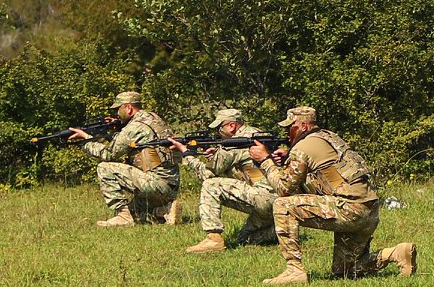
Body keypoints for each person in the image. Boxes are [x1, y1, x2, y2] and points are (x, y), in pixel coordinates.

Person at [249, 106, 416, 285]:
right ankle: (395, 253)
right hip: (368, 210)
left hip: (350, 209)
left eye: (291, 127)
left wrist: (265, 160)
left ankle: (294, 270)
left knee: (283, 205)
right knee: (344, 270)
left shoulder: (303, 147)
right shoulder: (327, 137)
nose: (287, 132)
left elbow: (284, 189)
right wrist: (288, 157)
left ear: (303, 126)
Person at [70, 90, 181, 227]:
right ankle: (165, 210)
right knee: (135, 213)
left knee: (104, 168)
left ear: (128, 108)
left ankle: (123, 217)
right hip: (169, 185)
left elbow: (108, 154)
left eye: (118, 109)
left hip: (156, 184)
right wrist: (118, 125)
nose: (117, 113)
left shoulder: (135, 127)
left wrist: (86, 139)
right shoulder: (152, 118)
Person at [177, 107, 278, 254]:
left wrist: (186, 154)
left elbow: (206, 174)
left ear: (231, 126)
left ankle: (213, 239)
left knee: (211, 185)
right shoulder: (255, 134)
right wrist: (217, 154)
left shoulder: (235, 142)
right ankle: (280, 231)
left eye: (220, 127)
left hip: (262, 197)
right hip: (277, 200)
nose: (218, 132)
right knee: (244, 239)